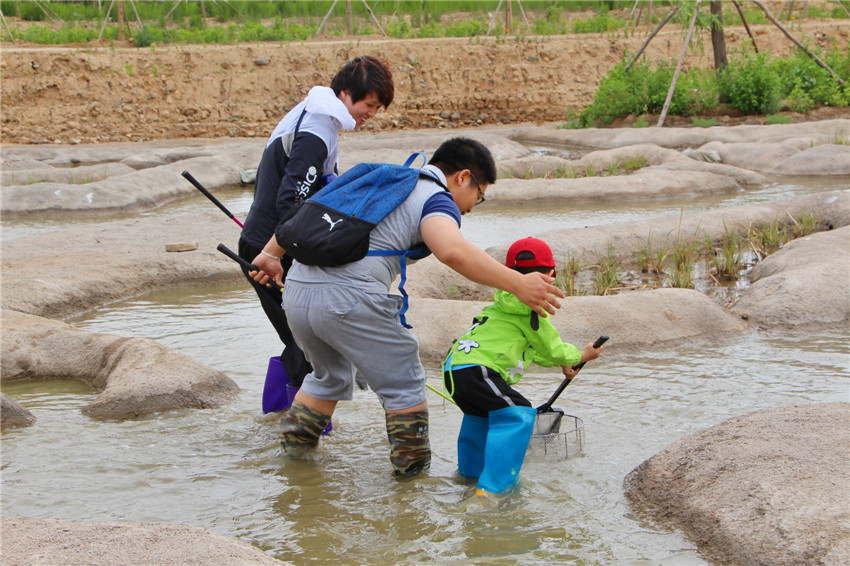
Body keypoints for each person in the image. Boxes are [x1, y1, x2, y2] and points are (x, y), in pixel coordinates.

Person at [249, 137, 566, 478]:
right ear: (463, 177)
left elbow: (305, 214)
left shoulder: (378, 178)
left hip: (296, 293)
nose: (473, 206)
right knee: (406, 386)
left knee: (327, 377)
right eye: (480, 194)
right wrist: (519, 283)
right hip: (350, 299)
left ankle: (293, 468)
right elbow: (452, 251)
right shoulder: (435, 197)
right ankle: (412, 489)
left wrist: (270, 255)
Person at [238, 56, 394, 388]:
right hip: (271, 250)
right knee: (307, 347)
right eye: (368, 104)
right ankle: (303, 432)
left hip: (274, 242)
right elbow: (291, 202)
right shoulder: (317, 131)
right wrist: (278, 254)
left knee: (302, 341)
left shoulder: (315, 117)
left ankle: (275, 421)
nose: (371, 114)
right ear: (347, 92)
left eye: (377, 108)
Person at [443, 237, 604, 496]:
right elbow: (552, 348)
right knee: (517, 414)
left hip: (455, 369)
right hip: (479, 370)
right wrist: (582, 354)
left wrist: (564, 364)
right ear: (553, 274)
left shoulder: (499, 305)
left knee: (479, 418)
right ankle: (493, 488)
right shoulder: (530, 309)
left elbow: (531, 350)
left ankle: (470, 476)